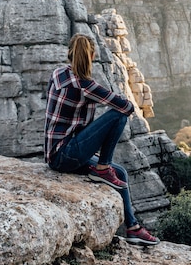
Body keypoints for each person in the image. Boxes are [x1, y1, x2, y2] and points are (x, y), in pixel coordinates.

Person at [44, 33, 159, 246]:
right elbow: (126, 107)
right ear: (92, 56)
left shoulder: (58, 74)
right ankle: (103, 167)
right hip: (65, 154)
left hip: (56, 154)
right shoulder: (85, 84)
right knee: (117, 114)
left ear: (70, 54)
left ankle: (133, 228)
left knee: (121, 173)